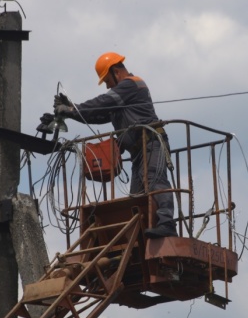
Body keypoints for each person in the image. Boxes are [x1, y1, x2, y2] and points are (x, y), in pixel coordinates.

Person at [54, 52, 177, 239]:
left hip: (151, 144)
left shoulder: (131, 84)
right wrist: (71, 110)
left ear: (116, 72)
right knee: (137, 197)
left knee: (155, 181)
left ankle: (167, 224)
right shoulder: (121, 97)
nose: (107, 85)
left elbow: (101, 103)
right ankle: (142, 235)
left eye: (106, 81)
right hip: (139, 152)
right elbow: (97, 115)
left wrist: (71, 109)